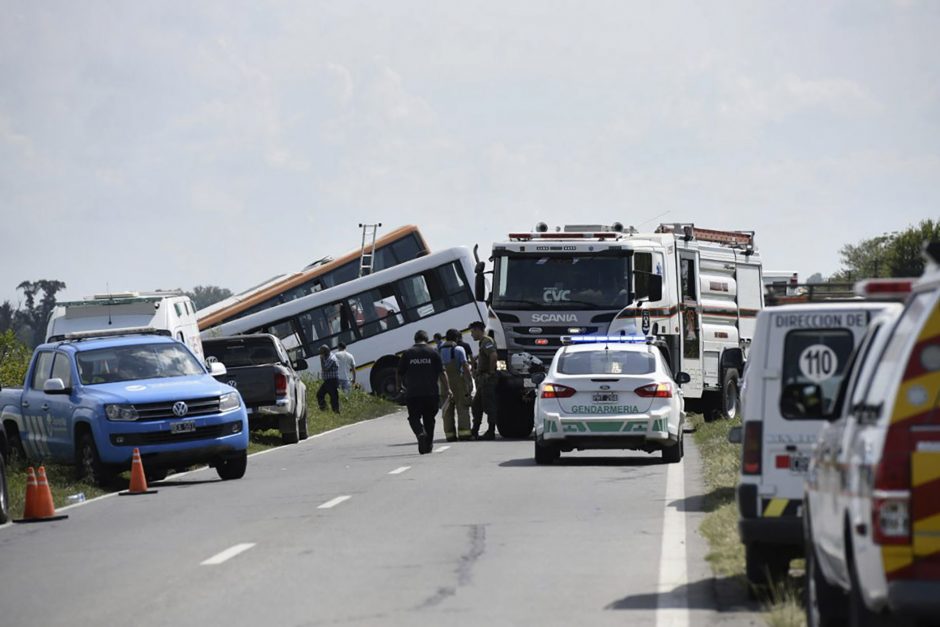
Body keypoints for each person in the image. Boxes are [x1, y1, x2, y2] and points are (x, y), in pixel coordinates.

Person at [397, 330, 450, 454]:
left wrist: (399, 387)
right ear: (426, 339)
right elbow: (442, 372)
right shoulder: (433, 352)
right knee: (429, 419)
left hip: (413, 393)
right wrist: (448, 389)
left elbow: (399, 372)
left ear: (415, 339)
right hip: (431, 393)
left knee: (414, 417)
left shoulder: (408, 353)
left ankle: (420, 433)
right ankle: (428, 445)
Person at [440, 328, 473, 441]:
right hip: (458, 382)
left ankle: (450, 435)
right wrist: (469, 380)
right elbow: (465, 366)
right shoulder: (459, 349)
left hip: (444, 384)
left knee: (447, 410)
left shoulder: (438, 350)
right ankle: (464, 434)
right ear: (457, 338)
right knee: (462, 407)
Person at [469, 321, 498, 440]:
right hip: (482, 379)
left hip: (487, 379)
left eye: (472, 332)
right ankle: (474, 430)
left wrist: (490, 372)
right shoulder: (482, 343)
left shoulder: (487, 341)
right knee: (476, 405)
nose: (471, 335)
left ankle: (491, 431)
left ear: (478, 330)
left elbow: (493, 356)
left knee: (489, 406)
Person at [316, 345, 341, 413]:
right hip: (328, 381)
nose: (320, 354)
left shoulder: (331, 359)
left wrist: (321, 359)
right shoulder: (327, 356)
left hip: (332, 381)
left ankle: (336, 412)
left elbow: (325, 369)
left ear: (325, 352)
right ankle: (325, 409)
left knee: (333, 397)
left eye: (321, 352)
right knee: (319, 394)